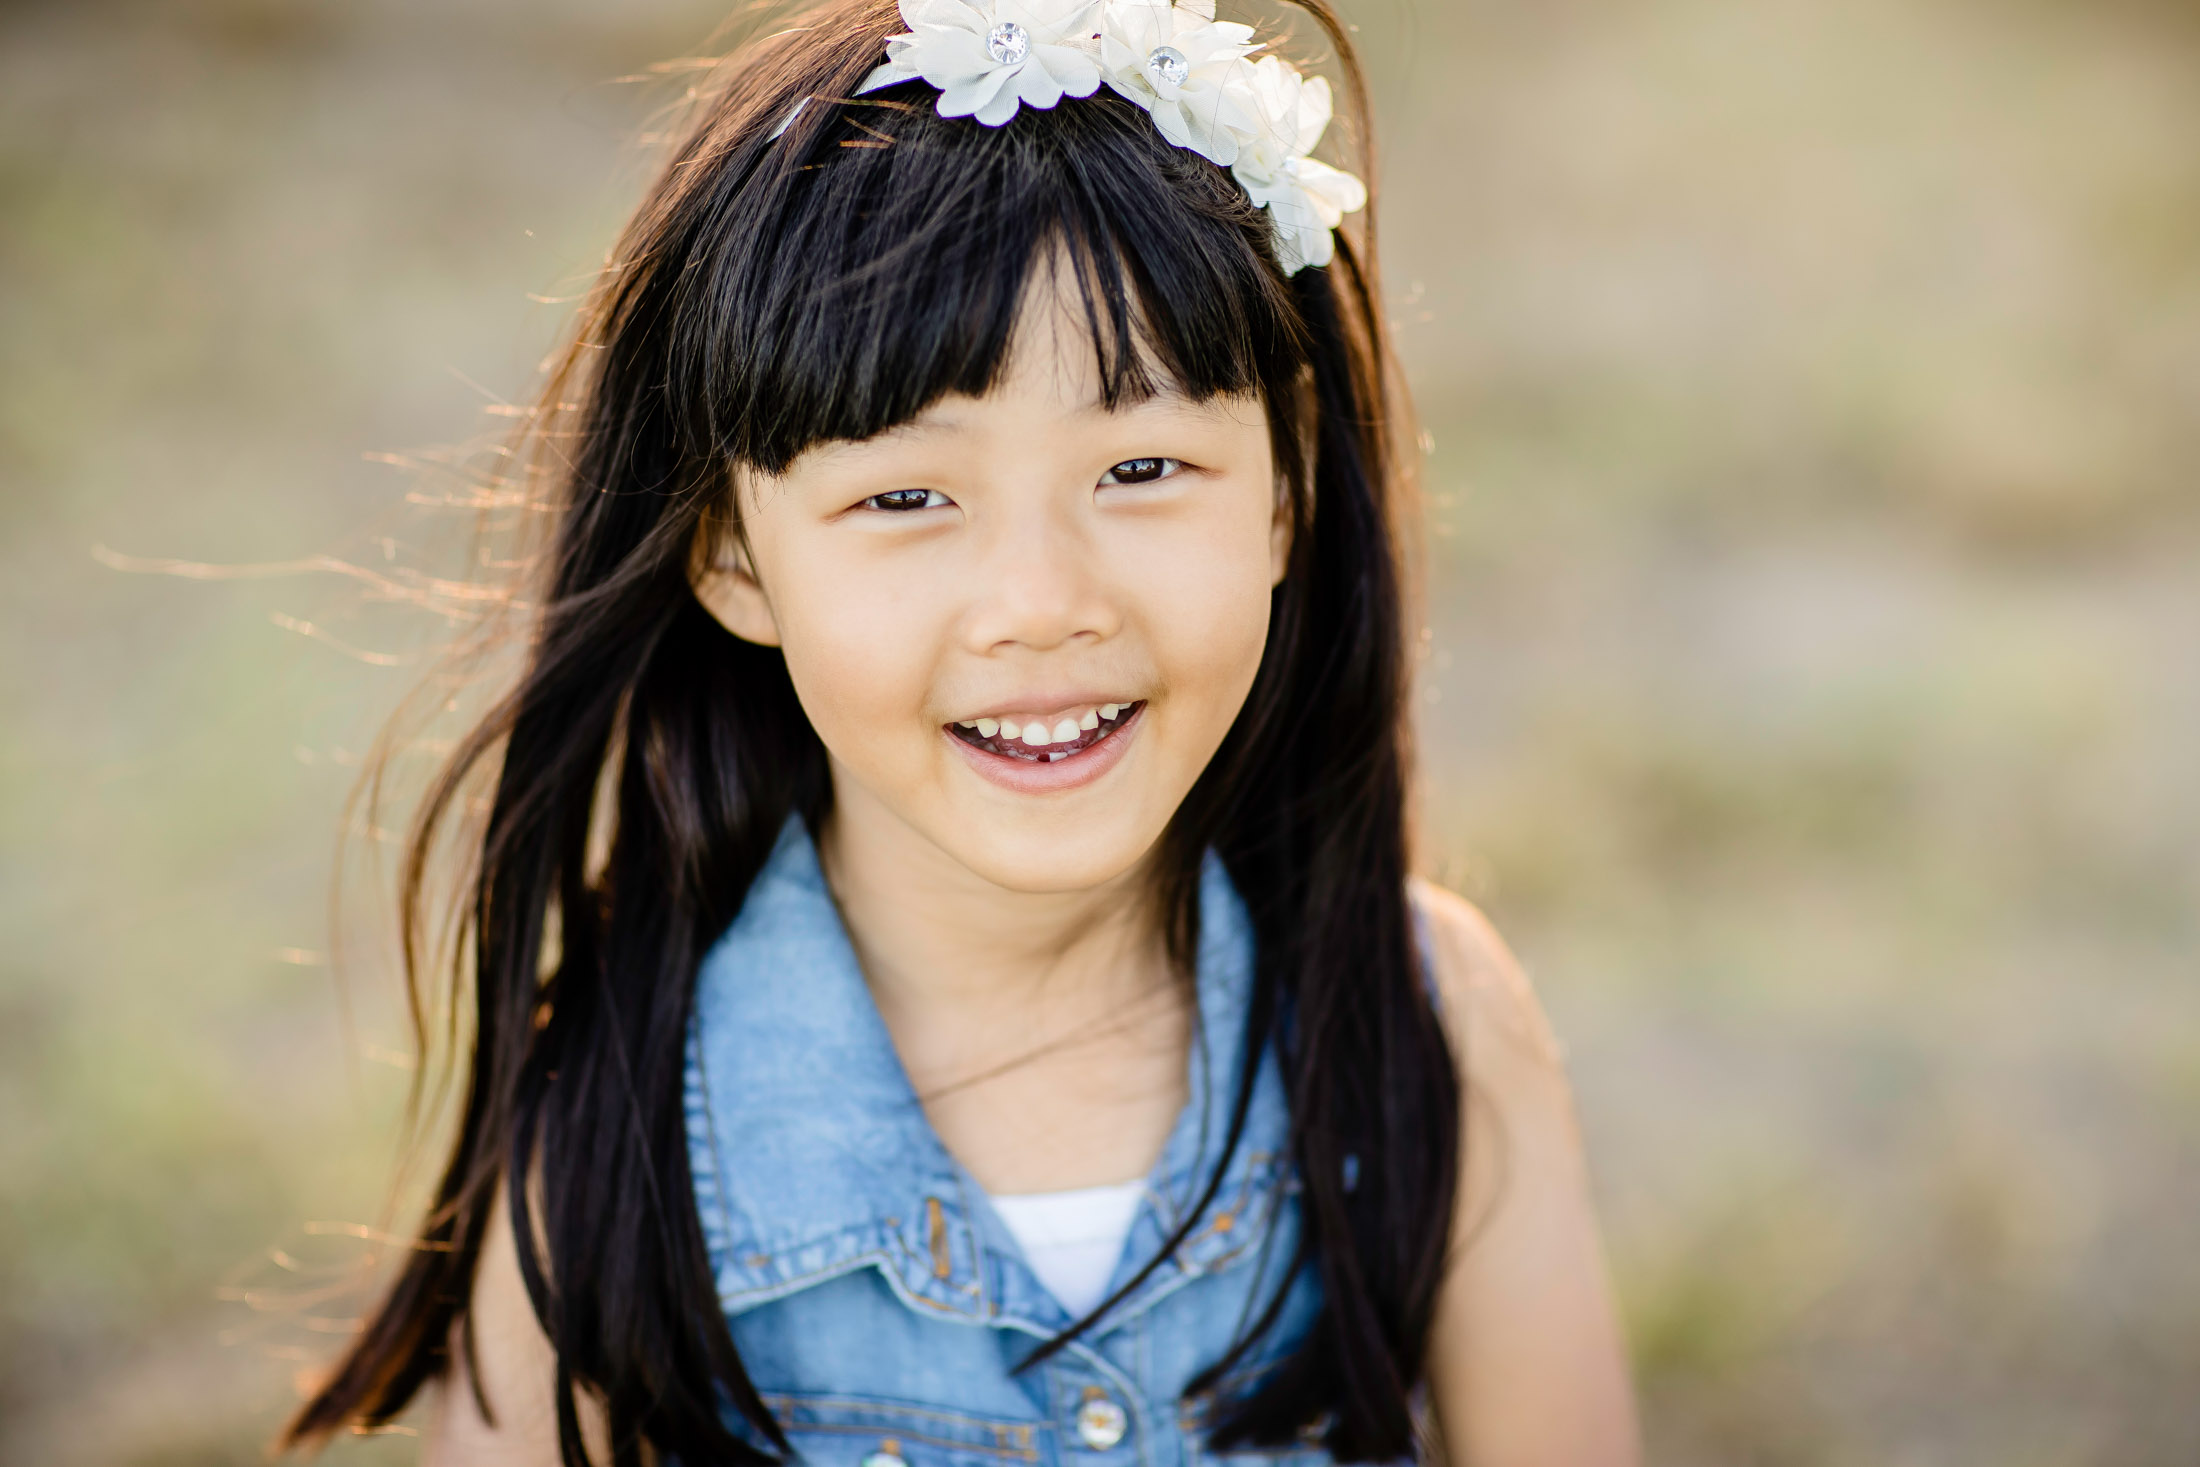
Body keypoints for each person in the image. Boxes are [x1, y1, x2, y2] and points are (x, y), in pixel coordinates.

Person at [283, 0, 1639, 1462]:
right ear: (733, 557)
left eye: (1140, 465)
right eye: (905, 498)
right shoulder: (622, 1104)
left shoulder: (1428, 1022)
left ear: (1286, 491)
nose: (1039, 604)